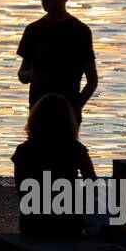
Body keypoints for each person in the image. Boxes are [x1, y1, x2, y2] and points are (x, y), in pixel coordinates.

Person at [16, 0, 98, 119]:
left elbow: (92, 80)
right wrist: (29, 75)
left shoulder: (80, 32)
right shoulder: (33, 30)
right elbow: (22, 73)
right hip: (37, 118)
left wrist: (75, 108)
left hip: (68, 120)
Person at [12, 93, 97, 236]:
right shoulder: (76, 149)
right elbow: (92, 184)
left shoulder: (24, 150)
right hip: (68, 222)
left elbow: (22, 190)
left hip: (32, 223)